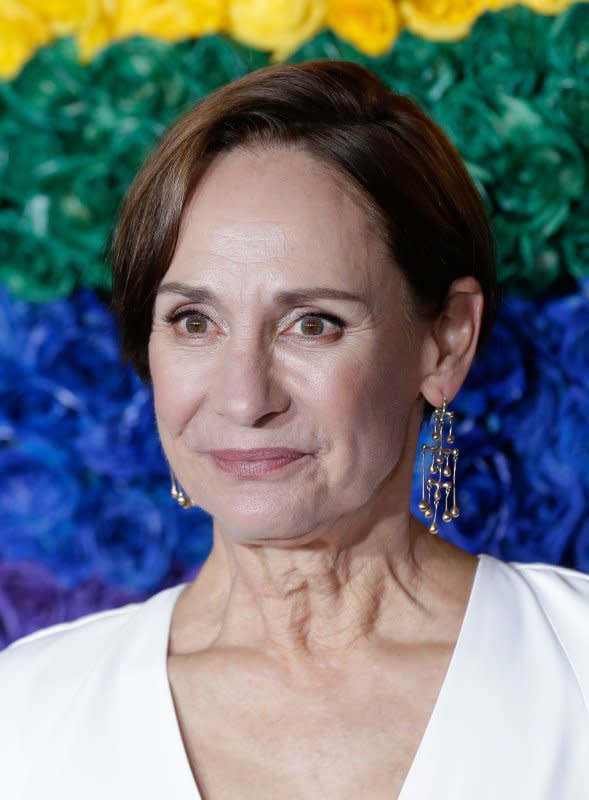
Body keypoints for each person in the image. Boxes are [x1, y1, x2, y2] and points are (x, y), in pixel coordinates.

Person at [0, 60, 587, 800]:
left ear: (444, 341)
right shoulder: (26, 717)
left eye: (312, 324)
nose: (245, 399)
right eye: (193, 321)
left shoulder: (575, 672)